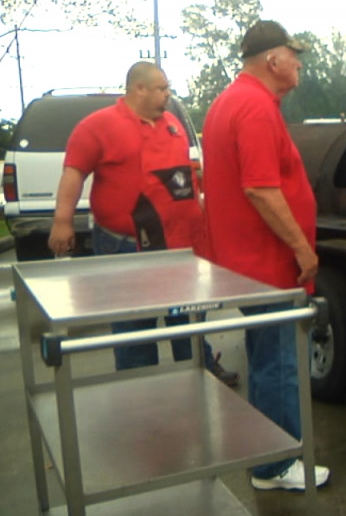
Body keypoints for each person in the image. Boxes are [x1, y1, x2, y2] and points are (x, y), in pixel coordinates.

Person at [48, 61, 238, 386]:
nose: (168, 94)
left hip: (180, 248)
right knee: (134, 327)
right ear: (139, 88)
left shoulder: (173, 125)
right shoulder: (98, 126)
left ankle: (199, 372)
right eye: (162, 88)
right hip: (126, 247)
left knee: (188, 318)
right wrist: (62, 221)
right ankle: (140, 386)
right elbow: (74, 173)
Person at [199, 19, 329, 491]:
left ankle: (266, 459)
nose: (299, 64)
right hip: (268, 265)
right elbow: (260, 188)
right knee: (280, 364)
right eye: (294, 56)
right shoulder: (253, 107)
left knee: (268, 360)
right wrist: (302, 247)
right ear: (272, 60)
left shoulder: (232, 101)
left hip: (248, 263)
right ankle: (275, 466)